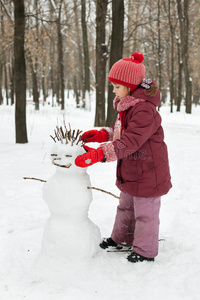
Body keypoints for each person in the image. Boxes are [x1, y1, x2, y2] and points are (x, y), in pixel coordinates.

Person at [75, 52, 172, 263]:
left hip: (149, 172)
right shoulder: (128, 107)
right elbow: (123, 133)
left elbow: (131, 141)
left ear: (130, 86)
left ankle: (145, 251)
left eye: (117, 86)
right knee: (125, 206)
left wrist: (101, 154)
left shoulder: (144, 109)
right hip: (132, 170)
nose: (113, 90)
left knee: (145, 213)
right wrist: (104, 134)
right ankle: (122, 239)